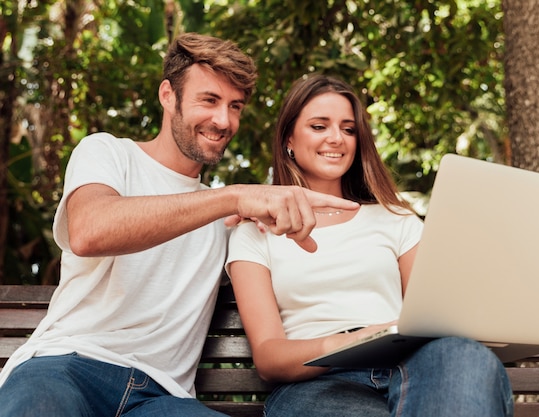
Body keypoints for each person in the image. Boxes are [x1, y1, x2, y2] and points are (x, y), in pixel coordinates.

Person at [0, 35, 358, 417]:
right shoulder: (108, 153)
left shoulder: (232, 223)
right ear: (168, 95)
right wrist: (231, 198)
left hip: (161, 397)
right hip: (66, 366)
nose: (223, 121)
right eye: (209, 100)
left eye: (235, 106)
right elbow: (89, 232)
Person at [226, 74, 514, 417]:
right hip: (319, 386)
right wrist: (356, 340)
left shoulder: (397, 220)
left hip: (411, 372)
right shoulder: (256, 233)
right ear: (289, 138)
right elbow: (269, 357)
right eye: (319, 126)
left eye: (348, 129)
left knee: (462, 354)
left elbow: (433, 316)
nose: (337, 138)